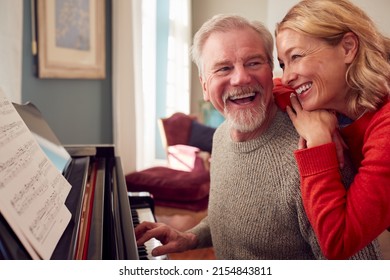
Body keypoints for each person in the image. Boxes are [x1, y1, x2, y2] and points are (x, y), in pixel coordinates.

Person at [135, 14, 381, 259]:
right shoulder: (221, 137)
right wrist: (189, 238)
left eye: (254, 63)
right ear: (205, 86)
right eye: (223, 68)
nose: (241, 77)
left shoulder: (317, 153)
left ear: (269, 72)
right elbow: (231, 219)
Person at [275, 0, 390, 260]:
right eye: (283, 63)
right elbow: (273, 89)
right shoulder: (338, 104)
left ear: (348, 48)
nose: (286, 76)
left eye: (296, 57)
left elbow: (338, 242)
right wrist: (324, 120)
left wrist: (318, 143)